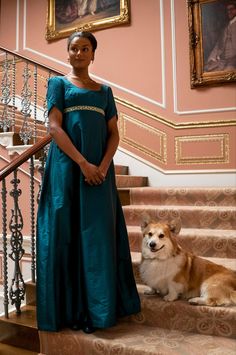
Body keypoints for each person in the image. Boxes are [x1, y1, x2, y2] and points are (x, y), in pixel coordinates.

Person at [36, 31, 141, 334]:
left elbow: (114, 134)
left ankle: (101, 308)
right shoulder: (58, 84)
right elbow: (54, 128)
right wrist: (83, 164)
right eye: (73, 48)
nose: (79, 53)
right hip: (68, 171)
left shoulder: (104, 91)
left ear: (93, 54)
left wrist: (103, 166)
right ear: (67, 53)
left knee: (97, 238)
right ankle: (70, 310)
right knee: (67, 233)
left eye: (85, 49)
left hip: (100, 175)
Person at [205, 2, 236, 72]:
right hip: (222, 60)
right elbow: (218, 45)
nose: (229, 12)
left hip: (233, 61)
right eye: (228, 10)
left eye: (232, 9)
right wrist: (211, 58)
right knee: (207, 70)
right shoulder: (225, 27)